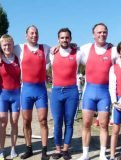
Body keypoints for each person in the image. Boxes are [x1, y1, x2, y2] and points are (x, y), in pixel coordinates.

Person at [77, 23, 119, 160]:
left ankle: (102, 154)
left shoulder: (113, 50)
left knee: (103, 125)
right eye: (99, 32)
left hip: (104, 93)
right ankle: (85, 154)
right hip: (89, 91)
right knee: (86, 124)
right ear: (93, 34)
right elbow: (70, 49)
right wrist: (58, 47)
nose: (102, 34)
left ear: (107, 33)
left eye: (104, 32)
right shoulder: (86, 48)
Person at [15, 25, 50, 160]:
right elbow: (6, 46)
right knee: (26, 121)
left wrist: (73, 45)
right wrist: (0, 53)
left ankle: (44, 151)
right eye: (31, 33)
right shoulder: (20, 48)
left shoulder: (45, 48)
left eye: (36, 33)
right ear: (26, 35)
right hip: (27, 90)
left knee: (43, 120)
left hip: (41, 89)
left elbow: (59, 48)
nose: (34, 35)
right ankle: (28, 148)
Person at [49, 28, 81, 160]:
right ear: (58, 39)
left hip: (71, 92)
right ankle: (58, 149)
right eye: (62, 38)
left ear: (71, 39)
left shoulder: (77, 53)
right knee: (57, 122)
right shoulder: (52, 53)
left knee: (69, 122)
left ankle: (66, 149)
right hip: (56, 91)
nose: (64, 40)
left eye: (67, 37)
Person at [0, 34, 21, 159]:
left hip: (16, 94)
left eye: (9, 44)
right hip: (3, 95)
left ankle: (13, 149)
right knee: (3, 123)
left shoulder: (18, 58)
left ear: (13, 45)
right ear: (1, 46)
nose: (7, 47)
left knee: (14, 122)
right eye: (4, 45)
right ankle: (1, 150)